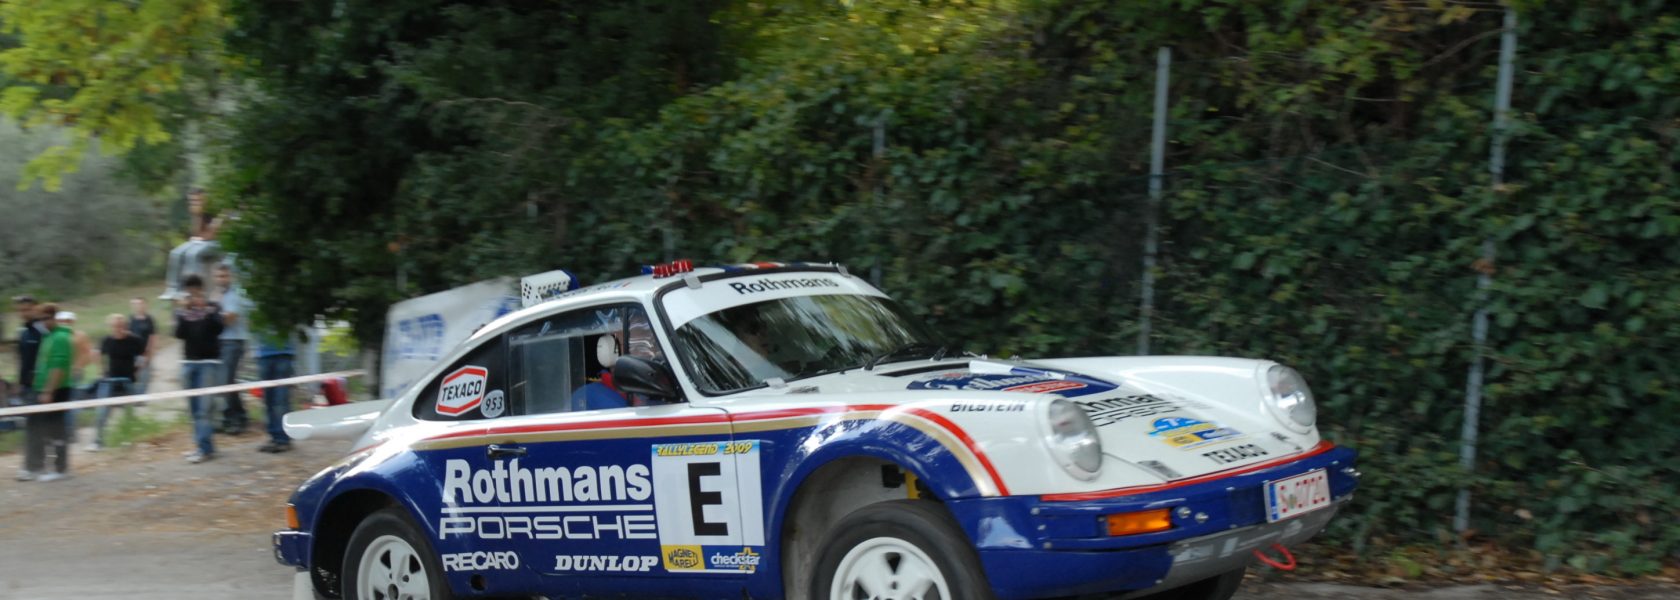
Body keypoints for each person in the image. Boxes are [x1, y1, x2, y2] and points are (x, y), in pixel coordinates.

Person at [19, 305, 72, 481]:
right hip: (42, 388)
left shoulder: (60, 338)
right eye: (39, 319)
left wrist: (49, 390)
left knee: (56, 429)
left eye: (44, 319)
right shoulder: (49, 337)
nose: (41, 323)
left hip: (57, 390)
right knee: (40, 427)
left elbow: (58, 366)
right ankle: (40, 466)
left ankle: (60, 469)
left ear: (53, 318)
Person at [175, 275, 224, 463]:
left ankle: (205, 450)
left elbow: (219, 328)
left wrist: (205, 310)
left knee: (204, 409)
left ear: (201, 290)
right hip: (189, 362)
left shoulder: (213, 307)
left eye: (195, 290)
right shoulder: (184, 312)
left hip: (209, 363)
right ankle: (203, 446)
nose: (192, 294)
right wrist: (183, 312)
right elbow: (179, 334)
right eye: (189, 291)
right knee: (194, 409)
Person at [89, 314, 146, 452]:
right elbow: (96, 354)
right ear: (110, 327)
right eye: (115, 326)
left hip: (128, 381)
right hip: (110, 380)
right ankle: (98, 441)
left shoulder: (134, 340)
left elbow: (143, 356)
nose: (118, 329)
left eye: (121, 326)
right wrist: (101, 370)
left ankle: (128, 439)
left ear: (125, 326)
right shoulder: (107, 340)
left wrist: (137, 369)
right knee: (102, 412)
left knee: (128, 413)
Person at [213, 264, 251, 434]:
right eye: (218, 276)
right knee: (225, 381)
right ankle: (233, 416)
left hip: (233, 341)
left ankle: (236, 418)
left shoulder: (235, 295)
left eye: (224, 276)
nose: (221, 279)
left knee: (227, 381)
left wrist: (212, 314)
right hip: (220, 341)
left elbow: (229, 319)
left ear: (231, 277)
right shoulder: (217, 295)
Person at [256, 327, 296, 453]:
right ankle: (275, 437)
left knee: (280, 400)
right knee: (268, 400)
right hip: (264, 354)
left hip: (283, 353)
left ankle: (283, 439)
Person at [12, 295, 44, 404]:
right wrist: (20, 382)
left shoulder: (43, 329)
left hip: (41, 384)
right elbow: (22, 359)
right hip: (26, 385)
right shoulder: (23, 331)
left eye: (27, 310)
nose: (24, 314)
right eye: (20, 310)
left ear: (36, 308)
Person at [128, 297, 158, 394]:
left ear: (145, 305)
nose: (139, 306)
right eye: (136, 304)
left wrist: (149, 354)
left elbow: (152, 337)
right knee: (132, 377)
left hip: (144, 353)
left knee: (144, 377)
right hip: (132, 353)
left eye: (141, 304)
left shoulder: (149, 320)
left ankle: (141, 397)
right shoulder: (130, 319)